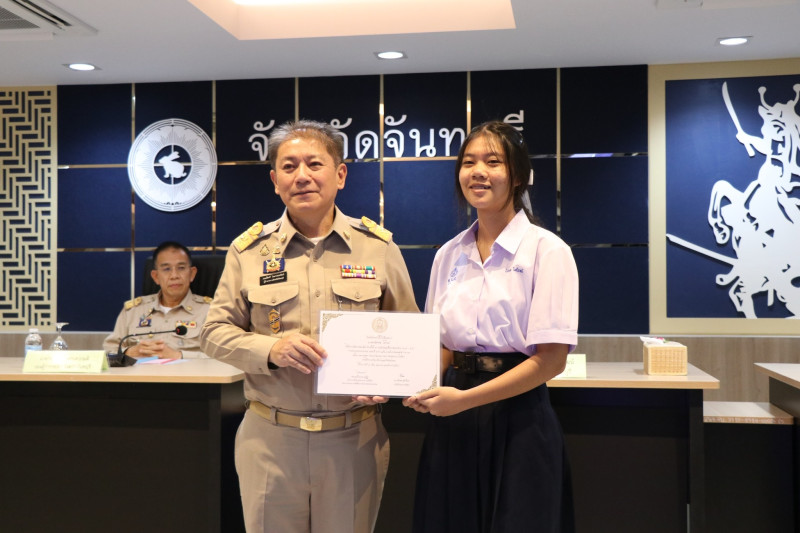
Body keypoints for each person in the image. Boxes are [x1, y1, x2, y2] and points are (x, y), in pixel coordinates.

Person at [200, 120, 419, 533]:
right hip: (270, 439)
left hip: (353, 439)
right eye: (289, 166)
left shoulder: (378, 248)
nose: (302, 176)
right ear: (275, 181)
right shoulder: (249, 251)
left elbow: (409, 335)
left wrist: (389, 380)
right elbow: (212, 333)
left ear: (340, 174)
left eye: (315, 164)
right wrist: (271, 350)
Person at [403, 121, 579, 533]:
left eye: (493, 162)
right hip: (452, 411)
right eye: (469, 162)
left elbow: (552, 361)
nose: (478, 172)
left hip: (519, 416)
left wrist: (466, 400)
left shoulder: (547, 251)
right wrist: (403, 382)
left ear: (517, 176)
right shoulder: (448, 254)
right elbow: (441, 345)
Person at [103, 241, 211, 359]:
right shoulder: (133, 311)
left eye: (181, 268)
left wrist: (179, 355)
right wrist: (129, 352)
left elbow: (222, 357)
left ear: (192, 274)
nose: (174, 275)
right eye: (166, 269)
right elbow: (108, 351)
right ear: (156, 277)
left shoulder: (211, 311)